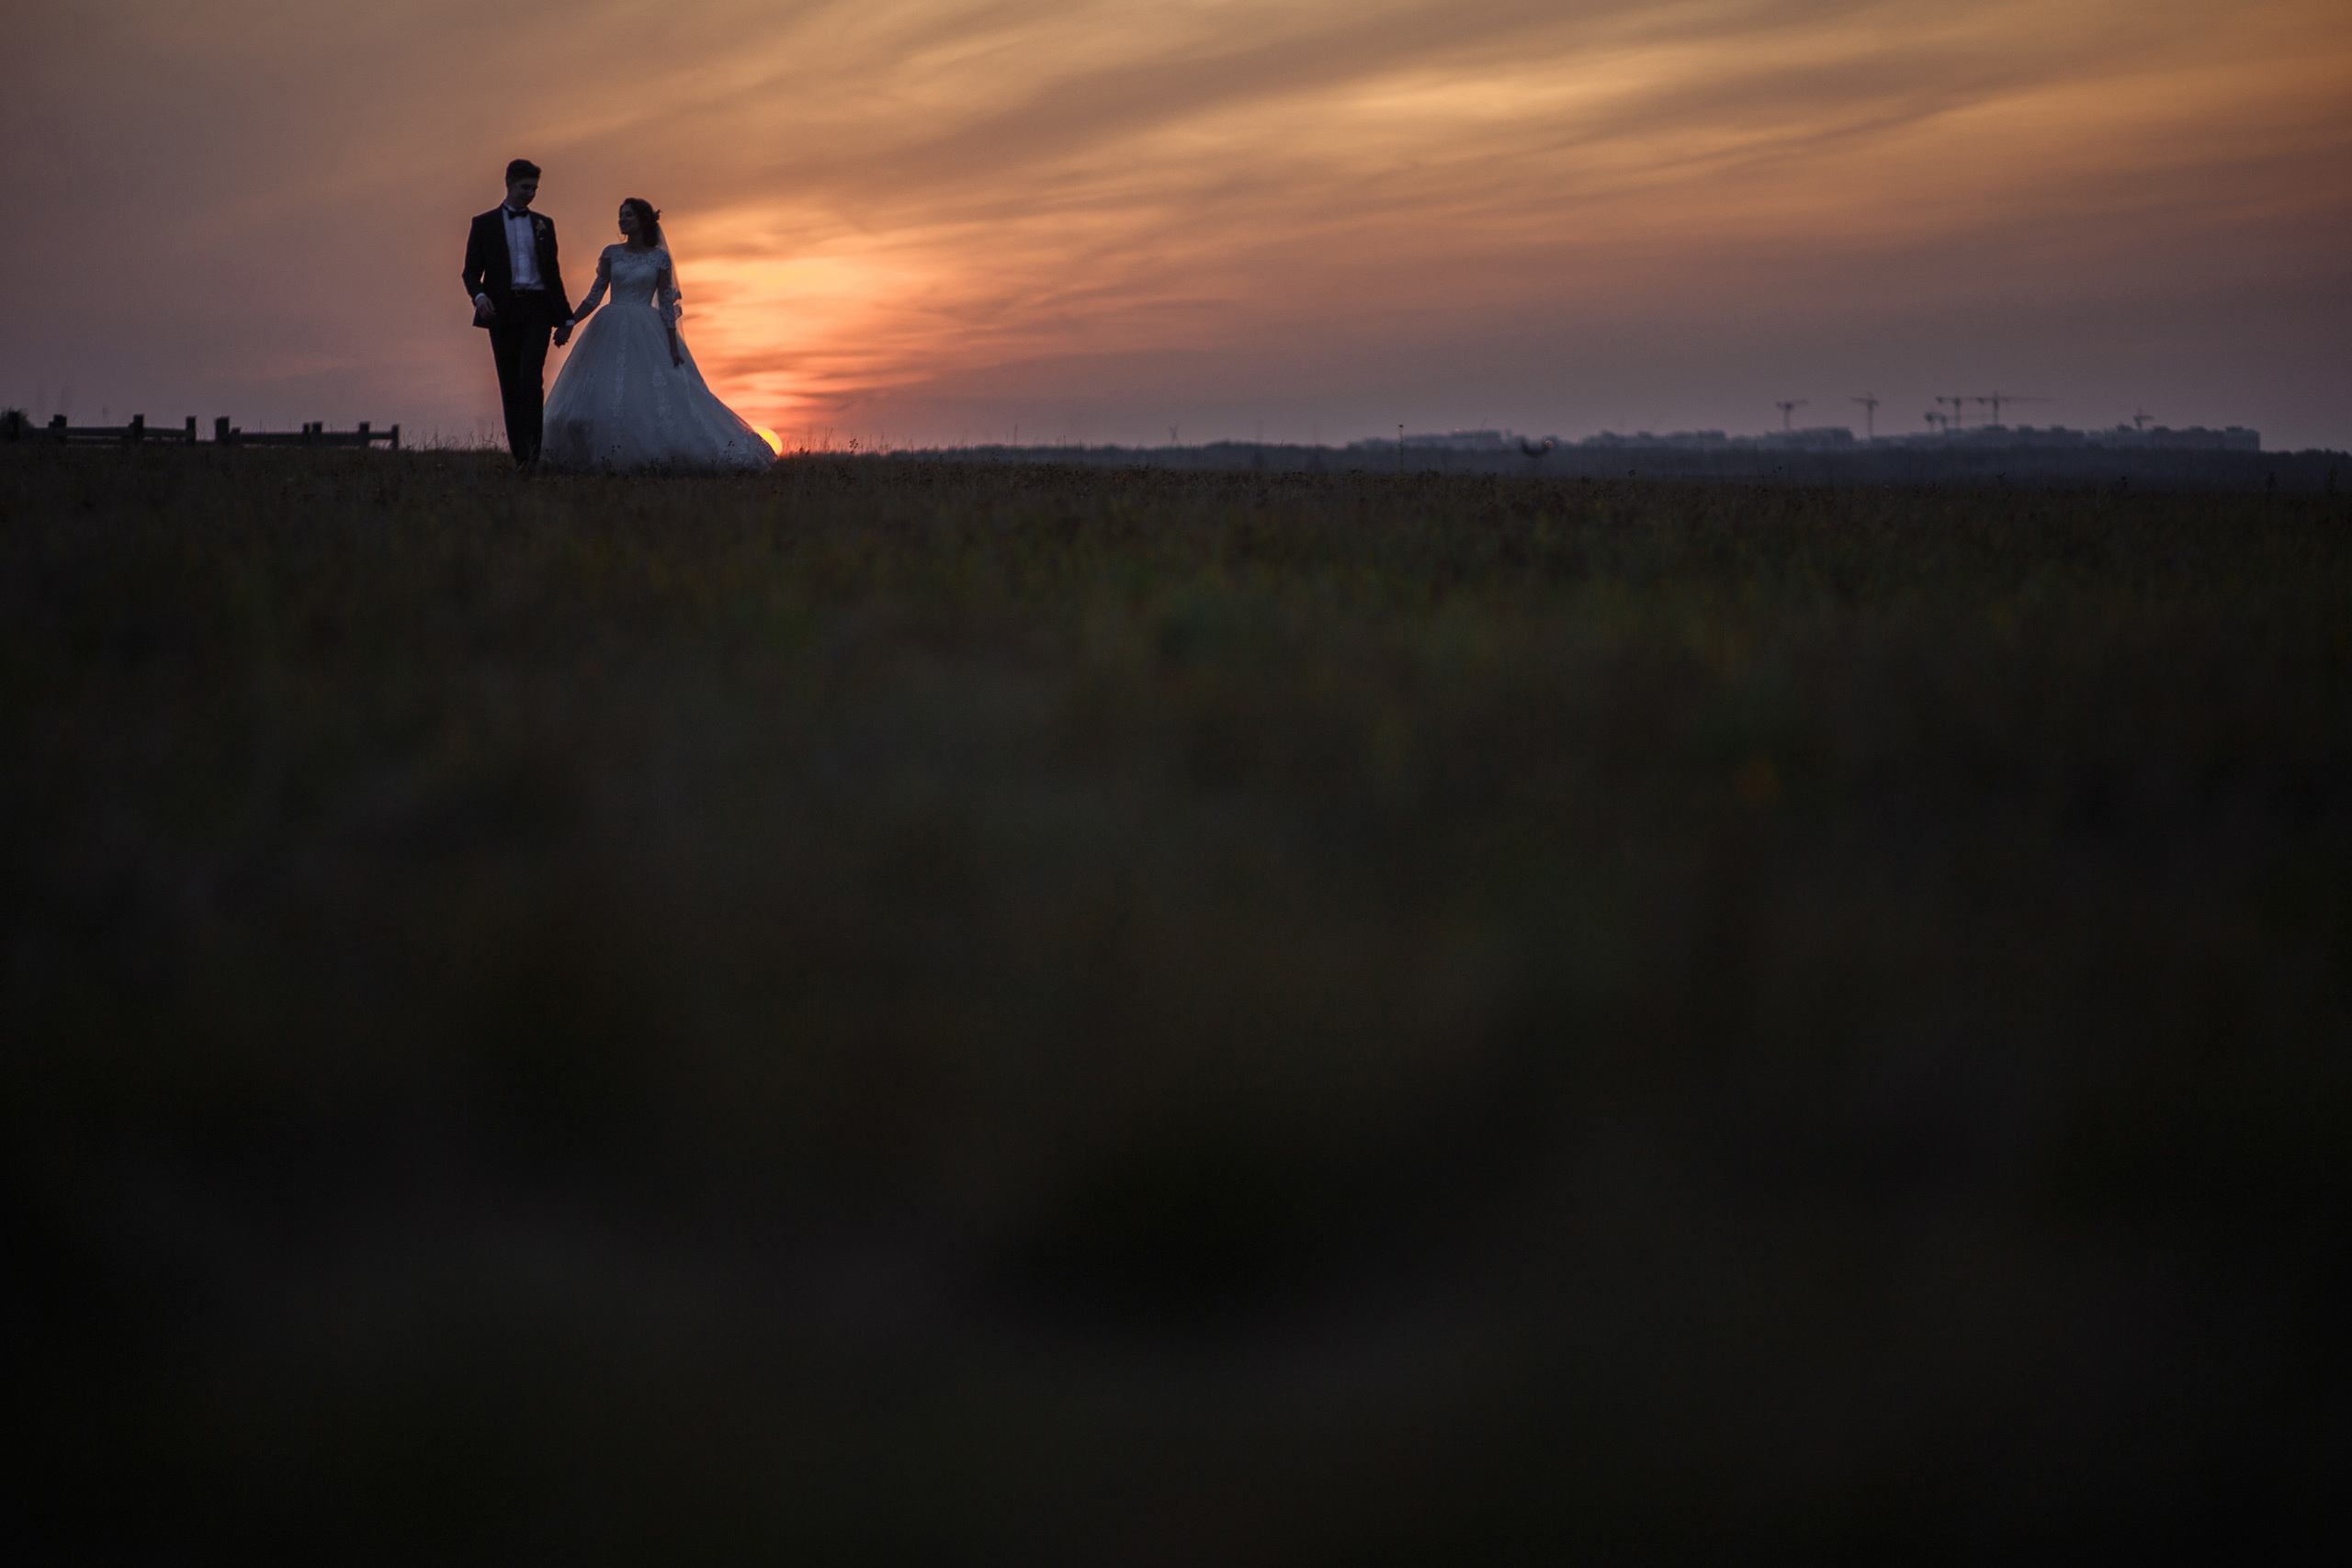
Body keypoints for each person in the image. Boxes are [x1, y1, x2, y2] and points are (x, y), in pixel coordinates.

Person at [539, 198, 775, 473]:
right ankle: (592, 454)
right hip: (610, 324)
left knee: (650, 392)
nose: (622, 220)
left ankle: (656, 454)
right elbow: (595, 296)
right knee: (606, 389)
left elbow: (665, 304)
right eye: (620, 216)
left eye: (627, 215)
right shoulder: (611, 254)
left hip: (647, 328)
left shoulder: (658, 258)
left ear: (642, 220)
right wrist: (569, 323)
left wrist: (673, 346)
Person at [461, 159, 575, 466]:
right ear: (509, 183)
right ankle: (521, 458)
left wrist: (566, 318)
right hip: (501, 311)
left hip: (538, 309)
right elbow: (471, 272)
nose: (531, 194)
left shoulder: (544, 225)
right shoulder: (483, 224)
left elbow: (553, 274)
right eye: (526, 187)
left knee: (530, 378)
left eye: (535, 189)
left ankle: (534, 453)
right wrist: (480, 297)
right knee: (510, 383)